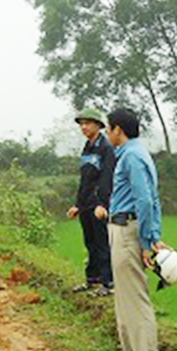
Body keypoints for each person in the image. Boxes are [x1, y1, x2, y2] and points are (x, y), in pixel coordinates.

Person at [100, 108, 166, 351]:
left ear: (118, 130)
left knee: (135, 297)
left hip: (129, 230)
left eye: (108, 128)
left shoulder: (134, 157)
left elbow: (146, 199)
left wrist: (149, 241)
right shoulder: (129, 154)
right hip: (120, 228)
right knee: (123, 297)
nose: (107, 133)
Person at [66, 108, 115, 295]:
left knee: (102, 243)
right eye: (81, 124)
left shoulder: (106, 148)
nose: (84, 127)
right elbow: (85, 179)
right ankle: (92, 279)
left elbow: (106, 178)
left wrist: (103, 203)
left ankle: (108, 283)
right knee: (90, 242)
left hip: (98, 205)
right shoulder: (87, 148)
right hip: (86, 203)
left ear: (98, 125)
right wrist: (77, 204)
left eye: (87, 123)